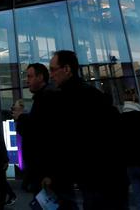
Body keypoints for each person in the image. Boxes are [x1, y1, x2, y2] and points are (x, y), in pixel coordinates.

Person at [40, 50, 126, 210]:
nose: (51, 75)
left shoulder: (73, 98)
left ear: (66, 69)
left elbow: (73, 143)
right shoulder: (87, 94)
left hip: (98, 179)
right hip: (104, 179)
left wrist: (55, 175)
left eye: (53, 69)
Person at [10, 63, 52, 193]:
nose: (26, 80)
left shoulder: (46, 98)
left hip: (43, 170)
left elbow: (38, 133)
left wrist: (21, 118)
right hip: (41, 169)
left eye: (30, 76)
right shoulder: (43, 97)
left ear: (40, 77)